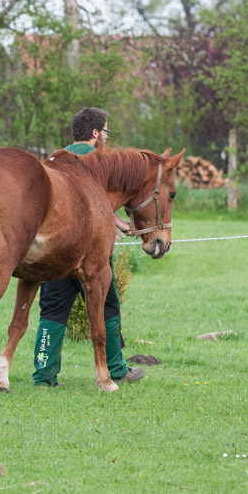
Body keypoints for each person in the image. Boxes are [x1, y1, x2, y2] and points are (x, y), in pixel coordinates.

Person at [32, 107, 145, 387]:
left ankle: (44, 375)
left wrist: (116, 221)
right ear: (95, 132)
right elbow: (100, 199)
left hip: (57, 249)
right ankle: (116, 369)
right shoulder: (99, 161)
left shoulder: (55, 160)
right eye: (106, 131)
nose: (106, 137)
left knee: (52, 309)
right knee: (108, 305)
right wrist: (121, 223)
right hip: (91, 251)